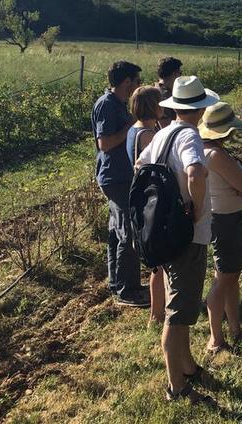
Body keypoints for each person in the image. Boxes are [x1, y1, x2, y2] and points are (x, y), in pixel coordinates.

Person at [137, 75, 220, 405]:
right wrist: (196, 210)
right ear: (200, 109)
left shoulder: (162, 134)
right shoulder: (189, 135)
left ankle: (186, 366)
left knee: (181, 305)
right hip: (187, 236)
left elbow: (139, 167)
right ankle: (177, 387)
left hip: (165, 234)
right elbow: (195, 172)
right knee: (177, 312)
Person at [199, 102, 242, 354]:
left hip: (226, 219)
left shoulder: (206, 151)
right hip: (228, 222)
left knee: (230, 276)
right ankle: (216, 338)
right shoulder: (216, 155)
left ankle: (235, 328)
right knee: (223, 279)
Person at [91, 60, 148, 307]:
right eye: (136, 82)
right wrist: (132, 124)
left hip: (119, 176)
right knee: (128, 232)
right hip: (116, 178)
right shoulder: (107, 105)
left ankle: (118, 283)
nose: (138, 86)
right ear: (127, 82)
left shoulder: (117, 103)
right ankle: (128, 291)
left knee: (117, 232)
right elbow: (104, 143)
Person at [127, 85, 166, 325]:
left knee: (156, 261)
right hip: (153, 197)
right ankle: (157, 314)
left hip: (141, 196)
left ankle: (158, 311)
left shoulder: (135, 129)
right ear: (153, 106)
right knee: (159, 262)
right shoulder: (148, 135)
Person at [156, 56, 182, 128]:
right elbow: (166, 126)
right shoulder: (163, 95)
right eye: (180, 73)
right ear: (174, 74)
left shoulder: (156, 89)